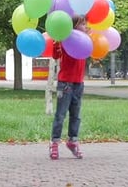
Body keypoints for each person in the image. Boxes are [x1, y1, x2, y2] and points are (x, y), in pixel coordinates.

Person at [49, 15, 88, 160]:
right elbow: (55, 55)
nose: (85, 27)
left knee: (76, 115)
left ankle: (73, 141)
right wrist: (57, 42)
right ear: (75, 25)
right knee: (60, 114)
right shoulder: (66, 40)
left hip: (79, 83)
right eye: (83, 24)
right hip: (65, 83)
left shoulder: (85, 42)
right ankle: (54, 142)